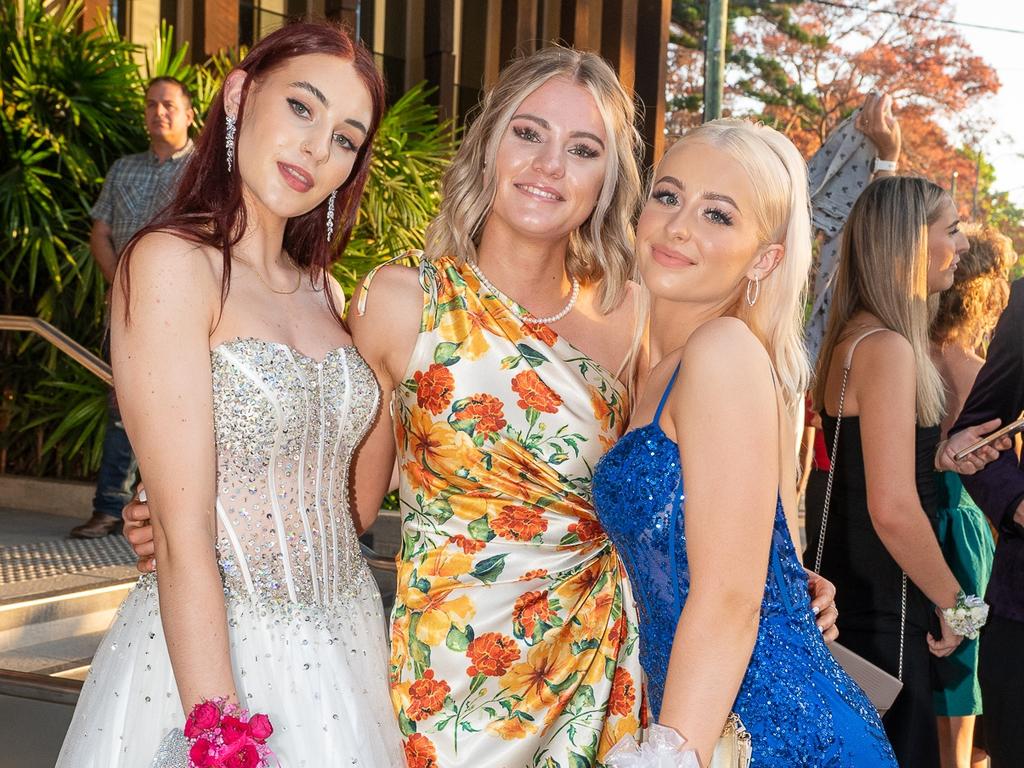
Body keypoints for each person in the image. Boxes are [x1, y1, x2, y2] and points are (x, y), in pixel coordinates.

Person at [122, 46, 842, 767]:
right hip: (450, 681)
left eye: (583, 149)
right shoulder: (400, 302)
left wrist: (780, 574)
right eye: (528, 133)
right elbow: (347, 510)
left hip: (602, 675)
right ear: (491, 143)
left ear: (607, 179)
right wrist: (211, 522)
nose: (549, 165)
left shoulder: (639, 316)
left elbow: (693, 477)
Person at [56, 21, 404, 766]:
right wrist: (218, 741)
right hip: (221, 656)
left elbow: (354, 510)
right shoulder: (171, 264)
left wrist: (390, 362)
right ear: (241, 94)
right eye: (303, 108)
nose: (318, 148)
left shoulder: (326, 286)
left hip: (349, 639)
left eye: (346, 137)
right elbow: (182, 541)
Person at [593, 119, 895, 766]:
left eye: (718, 215)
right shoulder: (653, 364)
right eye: (668, 196)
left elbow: (730, 599)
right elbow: (770, 545)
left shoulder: (723, 351)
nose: (678, 226)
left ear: (765, 258)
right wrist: (800, 586)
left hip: (777, 734)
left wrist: (667, 756)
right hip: (706, 717)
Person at [808, 176, 990, 767]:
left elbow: (860, 465)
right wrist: (959, 605)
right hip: (885, 614)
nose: (961, 246)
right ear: (908, 244)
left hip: (851, 603)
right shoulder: (888, 347)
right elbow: (890, 507)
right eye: (952, 229)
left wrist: (935, 456)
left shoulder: (854, 337)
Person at [70, 77, 196, 539]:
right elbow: (99, 232)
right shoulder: (123, 168)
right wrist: (122, 280)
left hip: (183, 311)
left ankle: (174, 516)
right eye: (150, 105)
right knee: (122, 405)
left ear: (188, 114)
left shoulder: (206, 169)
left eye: (168, 105)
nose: (158, 112)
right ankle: (109, 509)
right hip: (125, 309)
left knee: (180, 408)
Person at [930, 224, 1014, 768]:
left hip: (921, 534)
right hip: (960, 540)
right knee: (961, 709)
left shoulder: (913, 354)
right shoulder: (971, 369)